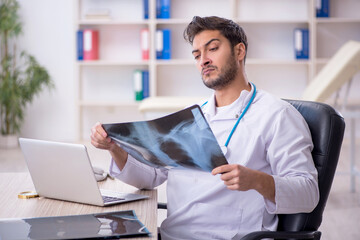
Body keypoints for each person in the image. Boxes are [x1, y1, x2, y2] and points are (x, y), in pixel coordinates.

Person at [91, 16, 319, 240]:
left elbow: (308, 193)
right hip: (170, 235)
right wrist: (114, 148)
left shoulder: (277, 115)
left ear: (239, 52)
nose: (203, 60)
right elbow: (151, 177)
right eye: (197, 55)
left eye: (212, 49)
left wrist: (257, 180)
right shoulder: (191, 118)